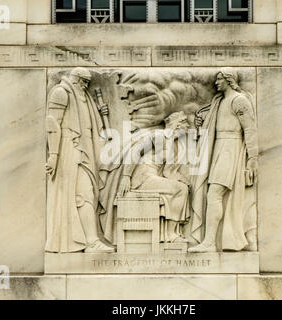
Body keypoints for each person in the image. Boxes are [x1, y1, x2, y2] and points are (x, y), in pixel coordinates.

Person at [45, 67, 115, 253]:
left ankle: (90, 239)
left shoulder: (84, 98)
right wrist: (53, 155)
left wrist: (101, 115)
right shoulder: (61, 93)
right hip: (69, 150)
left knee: (88, 193)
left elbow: (90, 125)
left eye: (87, 83)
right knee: (83, 194)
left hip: (86, 150)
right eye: (83, 82)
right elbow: (52, 124)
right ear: (75, 79)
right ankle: (91, 241)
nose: (85, 86)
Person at [188, 68, 258, 253]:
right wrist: (201, 125)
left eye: (219, 79)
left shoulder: (239, 100)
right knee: (211, 194)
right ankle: (210, 241)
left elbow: (250, 129)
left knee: (214, 194)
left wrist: (252, 159)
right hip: (217, 147)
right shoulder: (219, 101)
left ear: (229, 79)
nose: (216, 82)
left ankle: (210, 242)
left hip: (230, 148)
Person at [117, 112, 190, 243]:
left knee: (182, 188)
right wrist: (126, 176)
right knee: (181, 190)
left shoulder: (173, 146)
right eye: (186, 124)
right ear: (177, 125)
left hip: (153, 177)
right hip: (143, 177)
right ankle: (171, 234)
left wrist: (184, 180)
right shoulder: (158, 135)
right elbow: (135, 152)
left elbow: (168, 173)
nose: (188, 127)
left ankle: (170, 233)